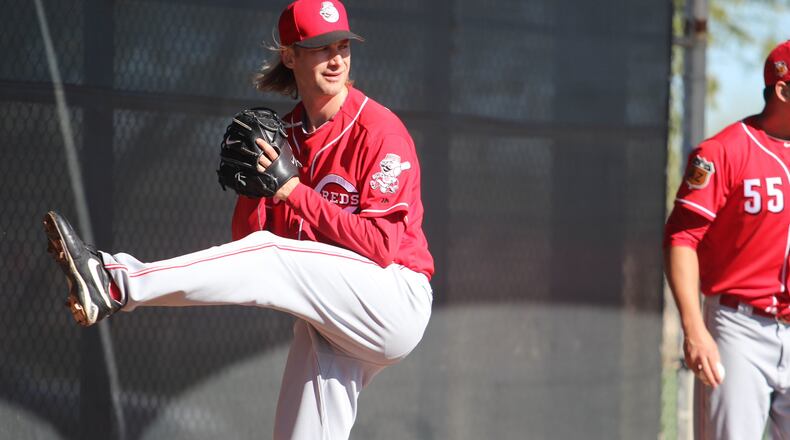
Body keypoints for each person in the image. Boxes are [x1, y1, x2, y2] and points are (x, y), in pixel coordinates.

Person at [43, 1, 434, 439]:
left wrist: (292, 192)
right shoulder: (281, 138)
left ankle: (115, 282)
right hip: (330, 319)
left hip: (393, 296)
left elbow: (381, 246)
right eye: (321, 48)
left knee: (274, 256)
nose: (336, 58)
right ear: (291, 55)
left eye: (342, 46)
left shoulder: (378, 130)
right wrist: (255, 190)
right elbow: (248, 245)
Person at [664, 40, 790, 439]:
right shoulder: (723, 151)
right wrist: (693, 329)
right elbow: (682, 236)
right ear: (783, 90)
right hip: (739, 328)